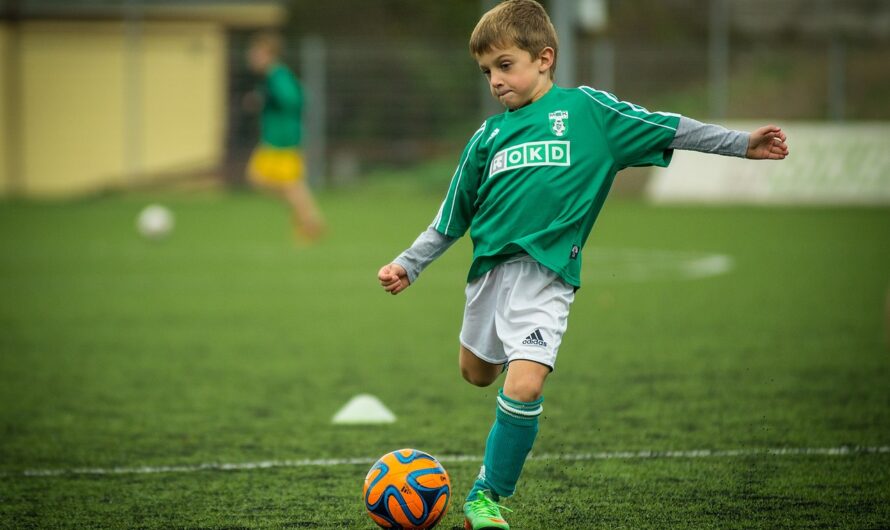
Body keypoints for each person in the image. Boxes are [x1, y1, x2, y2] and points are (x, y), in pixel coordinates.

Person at [376, 1, 789, 528]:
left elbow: (667, 127)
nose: (496, 81)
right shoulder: (487, 138)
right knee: (476, 372)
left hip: (547, 278)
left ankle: (486, 496)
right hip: (489, 277)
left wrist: (740, 144)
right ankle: (513, 367)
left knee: (523, 386)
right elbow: (451, 217)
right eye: (486, 72)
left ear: (544, 58)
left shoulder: (589, 113)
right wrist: (409, 265)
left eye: (506, 65)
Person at [245, 32, 325, 243]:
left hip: (283, 140)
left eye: (256, 52)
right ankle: (308, 219)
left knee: (288, 185)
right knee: (265, 180)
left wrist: (267, 98)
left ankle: (310, 222)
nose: (252, 56)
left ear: (268, 54)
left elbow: (295, 98)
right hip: (274, 139)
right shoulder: (272, 77)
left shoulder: (277, 75)